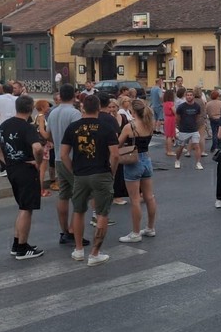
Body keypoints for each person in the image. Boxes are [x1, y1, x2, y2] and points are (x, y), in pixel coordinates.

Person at [60, 94, 120, 266]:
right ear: (99, 107)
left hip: (80, 174)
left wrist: (73, 170)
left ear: (82, 108)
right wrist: (112, 173)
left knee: (78, 211)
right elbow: (115, 154)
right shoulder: (106, 127)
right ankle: (95, 253)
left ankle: (78, 249)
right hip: (101, 173)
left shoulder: (72, 127)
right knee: (102, 213)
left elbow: (64, 154)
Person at [0, 95, 45, 260]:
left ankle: (17, 243)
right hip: (26, 169)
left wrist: (4, 159)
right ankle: (22, 248)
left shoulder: (7, 124)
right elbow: (38, 148)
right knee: (26, 209)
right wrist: (38, 162)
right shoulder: (27, 127)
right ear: (31, 109)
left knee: (22, 206)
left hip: (12, 169)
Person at [47, 84, 87, 247]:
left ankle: (64, 231)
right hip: (72, 159)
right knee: (80, 196)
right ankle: (73, 230)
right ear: (74, 96)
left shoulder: (53, 112)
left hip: (58, 157)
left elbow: (49, 135)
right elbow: (81, 137)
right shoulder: (75, 113)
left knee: (64, 194)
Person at [117, 99, 158, 242]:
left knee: (134, 199)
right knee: (149, 196)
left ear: (133, 112)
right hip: (146, 159)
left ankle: (135, 233)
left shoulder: (130, 127)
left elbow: (118, 144)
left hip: (133, 160)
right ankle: (150, 227)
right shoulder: (150, 124)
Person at [174, 90, 204, 170]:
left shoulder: (197, 106)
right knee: (181, 146)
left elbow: (197, 116)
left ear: (193, 96)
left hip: (194, 129)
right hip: (183, 130)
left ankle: (198, 163)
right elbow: (177, 117)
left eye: (191, 95)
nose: (189, 96)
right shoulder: (181, 107)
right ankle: (177, 160)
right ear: (185, 96)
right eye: (187, 95)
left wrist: (194, 124)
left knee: (197, 146)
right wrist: (179, 126)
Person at [34, 99, 54, 198]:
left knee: (40, 168)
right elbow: (42, 131)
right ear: (42, 107)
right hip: (43, 145)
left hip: (39, 144)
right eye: (47, 106)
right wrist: (49, 139)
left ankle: (38, 189)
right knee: (42, 168)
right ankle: (40, 190)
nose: (48, 108)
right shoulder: (42, 117)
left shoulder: (37, 116)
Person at [161, 89, 176, 156]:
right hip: (171, 119)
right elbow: (174, 112)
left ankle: (167, 150)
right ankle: (170, 151)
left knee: (167, 136)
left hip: (167, 118)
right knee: (170, 136)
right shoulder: (171, 103)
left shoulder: (165, 103)